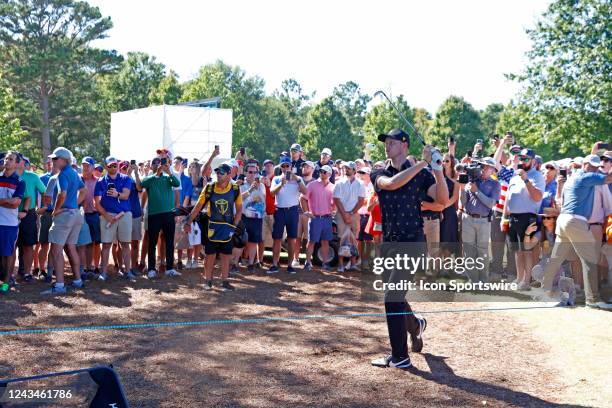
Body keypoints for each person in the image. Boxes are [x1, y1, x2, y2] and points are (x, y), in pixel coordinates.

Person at [369, 129, 449, 369]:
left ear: (405, 145)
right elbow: (392, 184)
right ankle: (416, 325)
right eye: (386, 142)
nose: (387, 145)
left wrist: (437, 169)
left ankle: (400, 357)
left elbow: (441, 201)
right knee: (397, 297)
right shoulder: (379, 172)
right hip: (389, 243)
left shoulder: (422, 174)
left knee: (392, 298)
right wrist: (423, 163)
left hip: (412, 242)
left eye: (392, 142)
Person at [541, 154, 612, 309]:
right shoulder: (587, 177)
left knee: (556, 258)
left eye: (595, 166)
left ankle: (544, 292)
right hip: (576, 221)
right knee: (590, 260)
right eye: (591, 165)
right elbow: (608, 179)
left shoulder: (571, 179)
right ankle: (592, 300)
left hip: (563, 221)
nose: (594, 169)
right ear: (584, 164)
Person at [184, 163, 242, 291]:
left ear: (229, 175)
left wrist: (234, 226)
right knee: (210, 255)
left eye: (222, 173)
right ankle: (208, 281)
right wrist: (188, 222)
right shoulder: (209, 188)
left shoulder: (235, 188)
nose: (219, 175)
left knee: (226, 255)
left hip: (228, 227)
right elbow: (198, 206)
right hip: (212, 227)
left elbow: (239, 210)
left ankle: (225, 281)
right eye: (217, 172)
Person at [42, 147, 86, 295]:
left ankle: (60, 286)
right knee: (72, 248)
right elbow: (84, 191)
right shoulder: (74, 173)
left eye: (55, 159)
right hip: (75, 214)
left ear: (63, 159)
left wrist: (56, 210)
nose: (52, 161)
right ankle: (78, 281)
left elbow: (62, 194)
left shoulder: (62, 174)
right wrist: (74, 205)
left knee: (56, 250)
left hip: (65, 215)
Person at [502, 148, 545, 290]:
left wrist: (526, 180)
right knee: (517, 250)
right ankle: (519, 278)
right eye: (521, 158)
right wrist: (504, 217)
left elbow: (537, 197)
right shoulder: (514, 177)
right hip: (513, 218)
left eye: (526, 158)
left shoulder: (537, 176)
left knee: (527, 251)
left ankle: (526, 281)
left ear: (533, 160)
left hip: (528, 218)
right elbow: (508, 199)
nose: (522, 161)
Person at [136, 156, 181, 279]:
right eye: (155, 163)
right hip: (154, 215)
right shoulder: (149, 178)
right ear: (151, 166)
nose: (158, 165)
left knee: (169, 242)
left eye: (160, 163)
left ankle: (169, 268)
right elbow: (142, 185)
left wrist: (169, 172)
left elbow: (177, 183)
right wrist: (157, 173)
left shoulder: (168, 178)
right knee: (152, 242)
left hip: (168, 214)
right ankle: (151, 269)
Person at [459, 157, 501, 283]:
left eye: (487, 166)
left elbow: (490, 203)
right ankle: (473, 280)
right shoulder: (472, 180)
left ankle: (483, 280)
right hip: (468, 218)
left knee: (482, 251)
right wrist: (462, 188)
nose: (484, 168)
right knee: (468, 250)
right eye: (482, 165)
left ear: (493, 170)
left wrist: (477, 191)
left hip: (484, 221)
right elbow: (463, 201)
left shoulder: (495, 184)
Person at [94, 156, 133, 281]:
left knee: (125, 244)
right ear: (106, 167)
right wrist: (107, 216)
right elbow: (97, 203)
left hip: (124, 214)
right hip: (107, 215)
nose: (113, 167)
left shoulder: (126, 178)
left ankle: (127, 271)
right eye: (110, 165)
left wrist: (117, 194)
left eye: (115, 165)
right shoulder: (100, 182)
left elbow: (126, 196)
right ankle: (103, 273)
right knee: (106, 245)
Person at [269, 156, 308, 274]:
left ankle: (290, 265)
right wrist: (281, 184)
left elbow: (305, 191)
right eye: (283, 166)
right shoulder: (276, 178)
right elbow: (271, 194)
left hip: (292, 211)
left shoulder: (298, 179)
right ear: (280, 167)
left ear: (291, 166)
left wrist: (296, 178)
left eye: (288, 166)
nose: (286, 168)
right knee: (277, 239)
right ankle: (275, 264)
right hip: (280, 210)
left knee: (292, 239)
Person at [491, 135, 520, 278]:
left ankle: (511, 273)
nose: (516, 156)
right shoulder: (506, 172)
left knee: (511, 246)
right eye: (514, 153)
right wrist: (501, 143)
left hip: (515, 215)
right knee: (497, 244)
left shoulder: (523, 174)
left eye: (519, 154)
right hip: (498, 212)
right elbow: (494, 161)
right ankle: (496, 271)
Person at [15, 154, 46, 282]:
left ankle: (27, 273)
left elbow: (44, 191)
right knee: (11, 246)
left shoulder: (33, 177)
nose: (23, 163)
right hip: (9, 213)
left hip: (29, 214)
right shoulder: (8, 176)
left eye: (23, 161)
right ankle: (8, 276)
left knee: (28, 245)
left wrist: (44, 206)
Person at [333, 161, 366, 272]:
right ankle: (341, 264)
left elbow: (361, 201)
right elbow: (337, 200)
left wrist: (351, 213)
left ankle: (353, 264)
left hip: (354, 214)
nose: (346, 170)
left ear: (354, 170)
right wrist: (345, 215)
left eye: (348, 168)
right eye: (345, 168)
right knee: (342, 239)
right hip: (341, 213)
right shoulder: (339, 183)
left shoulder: (360, 184)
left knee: (353, 240)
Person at [302, 164, 335, 271]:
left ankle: (325, 263)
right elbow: (302, 198)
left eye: (324, 172)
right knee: (312, 241)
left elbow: (335, 202)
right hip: (315, 218)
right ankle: (308, 262)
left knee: (325, 242)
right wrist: (307, 211)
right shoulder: (312, 185)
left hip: (327, 218)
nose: (322, 173)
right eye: (321, 171)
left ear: (329, 174)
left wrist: (334, 209)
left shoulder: (333, 187)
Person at [0, 152, 25, 292]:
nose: (7, 161)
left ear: (16, 164)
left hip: (9, 223)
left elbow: (15, 204)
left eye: (11, 159)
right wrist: (7, 201)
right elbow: (11, 202)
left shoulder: (20, 182)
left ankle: (6, 283)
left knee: (8, 254)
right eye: (6, 158)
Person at [240, 162, 266, 273]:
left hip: (256, 217)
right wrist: (250, 189)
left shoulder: (261, 185)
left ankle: (251, 263)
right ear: (245, 172)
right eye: (250, 172)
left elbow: (263, 198)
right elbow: (239, 198)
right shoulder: (241, 184)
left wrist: (259, 186)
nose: (253, 174)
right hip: (243, 216)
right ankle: (236, 263)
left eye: (255, 172)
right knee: (240, 240)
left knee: (253, 241)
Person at [81, 156, 101, 277]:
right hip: (81, 215)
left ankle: (92, 267)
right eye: (84, 165)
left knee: (94, 243)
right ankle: (82, 268)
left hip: (94, 215)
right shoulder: (78, 179)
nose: (85, 167)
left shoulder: (98, 181)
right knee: (82, 243)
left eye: (88, 165)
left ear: (93, 167)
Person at [293, 160, 315, 268]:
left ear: (312, 169)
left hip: (309, 215)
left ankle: (308, 261)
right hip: (297, 213)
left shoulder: (315, 182)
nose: (304, 168)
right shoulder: (297, 180)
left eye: (307, 167)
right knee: (297, 238)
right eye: (303, 167)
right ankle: (295, 259)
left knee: (309, 239)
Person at [357, 166, 374, 269]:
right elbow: (360, 201)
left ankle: (366, 260)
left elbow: (369, 202)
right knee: (359, 240)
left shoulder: (373, 186)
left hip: (369, 216)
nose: (362, 175)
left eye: (364, 173)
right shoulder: (359, 185)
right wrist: (365, 201)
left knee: (368, 240)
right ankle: (360, 259)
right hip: (359, 215)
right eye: (361, 173)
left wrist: (364, 201)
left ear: (369, 174)